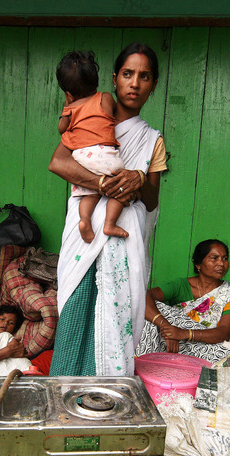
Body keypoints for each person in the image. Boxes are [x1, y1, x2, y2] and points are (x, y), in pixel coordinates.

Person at [48, 42, 169, 376]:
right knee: (77, 311)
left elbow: (152, 200)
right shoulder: (94, 113)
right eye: (128, 74)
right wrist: (101, 183)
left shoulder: (151, 140)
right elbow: (58, 161)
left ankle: (108, 399)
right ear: (114, 79)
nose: (135, 83)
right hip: (85, 237)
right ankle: (64, 396)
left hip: (122, 237)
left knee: (114, 319)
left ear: (153, 85)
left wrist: (138, 177)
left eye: (144, 77)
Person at [136, 239, 230, 362]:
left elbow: (224, 333)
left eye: (225, 259)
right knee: (149, 311)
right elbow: (143, 296)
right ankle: (145, 364)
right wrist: (167, 327)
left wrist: (184, 333)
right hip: (170, 342)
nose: (221, 263)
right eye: (214, 258)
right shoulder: (181, 286)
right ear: (198, 264)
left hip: (205, 346)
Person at [56, 50, 127, 243]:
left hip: (80, 157)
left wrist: (68, 104)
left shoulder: (71, 108)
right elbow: (114, 113)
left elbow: (62, 129)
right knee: (121, 186)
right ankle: (110, 223)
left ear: (68, 93)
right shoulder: (104, 98)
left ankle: (84, 219)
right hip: (104, 154)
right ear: (95, 82)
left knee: (88, 193)